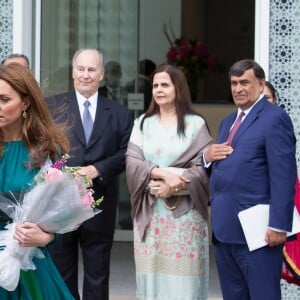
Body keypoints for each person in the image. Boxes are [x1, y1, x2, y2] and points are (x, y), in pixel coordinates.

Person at [204, 59, 297, 300]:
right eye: (234, 83)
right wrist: (206, 157)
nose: (238, 89)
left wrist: (279, 226)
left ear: (261, 83)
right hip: (225, 231)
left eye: (244, 82)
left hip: (258, 234)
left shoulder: (274, 118)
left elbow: (283, 176)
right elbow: (222, 168)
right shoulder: (228, 121)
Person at [47, 48, 133, 300]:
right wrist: (56, 171)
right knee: (63, 272)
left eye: (92, 69)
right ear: (73, 73)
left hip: (101, 204)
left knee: (98, 274)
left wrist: (99, 169)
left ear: (102, 74)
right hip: (62, 204)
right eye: (81, 69)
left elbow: (126, 153)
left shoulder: (118, 112)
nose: (86, 75)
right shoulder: (53, 107)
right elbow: (42, 146)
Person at [126, 64, 212, 300]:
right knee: (152, 282)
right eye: (155, 85)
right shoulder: (142, 123)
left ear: (178, 88)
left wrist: (175, 185)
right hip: (151, 215)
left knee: (184, 286)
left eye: (165, 84)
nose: (159, 90)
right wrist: (162, 174)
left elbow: (204, 169)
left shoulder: (196, 124)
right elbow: (132, 164)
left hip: (185, 217)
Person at [0, 63, 73, 299]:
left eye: (4, 99)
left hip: (27, 260)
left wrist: (47, 237)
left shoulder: (48, 150)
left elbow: (60, 211)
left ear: (25, 102)